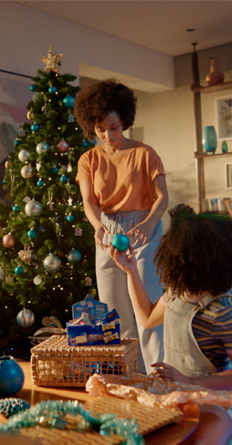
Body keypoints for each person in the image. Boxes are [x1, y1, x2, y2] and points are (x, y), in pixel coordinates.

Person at [110, 204, 232, 445]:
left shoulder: (225, 312)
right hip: (172, 389)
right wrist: (131, 271)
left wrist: (189, 380)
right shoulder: (178, 292)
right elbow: (146, 318)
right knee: (138, 438)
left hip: (213, 395)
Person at [74, 78, 168, 374]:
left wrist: (149, 222)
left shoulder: (145, 153)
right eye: (100, 129)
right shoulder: (88, 159)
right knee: (114, 314)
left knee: (149, 312)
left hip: (143, 227)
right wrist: (97, 227)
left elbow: (163, 197)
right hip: (107, 231)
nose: (107, 135)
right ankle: (127, 376)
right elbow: (89, 201)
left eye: (113, 127)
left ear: (124, 120)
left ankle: (157, 375)